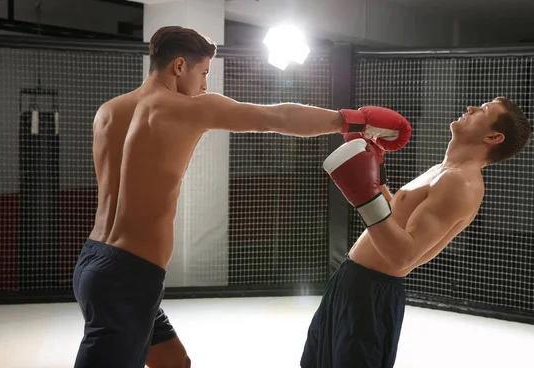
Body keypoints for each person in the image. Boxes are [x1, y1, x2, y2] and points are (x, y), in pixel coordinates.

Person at [71, 25, 412, 368]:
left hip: (94, 260)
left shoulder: (109, 111)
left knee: (174, 362)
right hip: (129, 277)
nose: (204, 85)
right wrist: (352, 121)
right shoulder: (187, 108)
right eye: (203, 73)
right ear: (178, 67)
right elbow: (275, 117)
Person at [301, 96, 532, 367]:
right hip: (350, 279)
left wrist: (363, 196)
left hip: (371, 293)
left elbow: (402, 256)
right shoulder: (442, 170)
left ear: (493, 136)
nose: (470, 108)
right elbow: (392, 215)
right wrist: (375, 172)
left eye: (483, 110)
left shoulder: (461, 183)